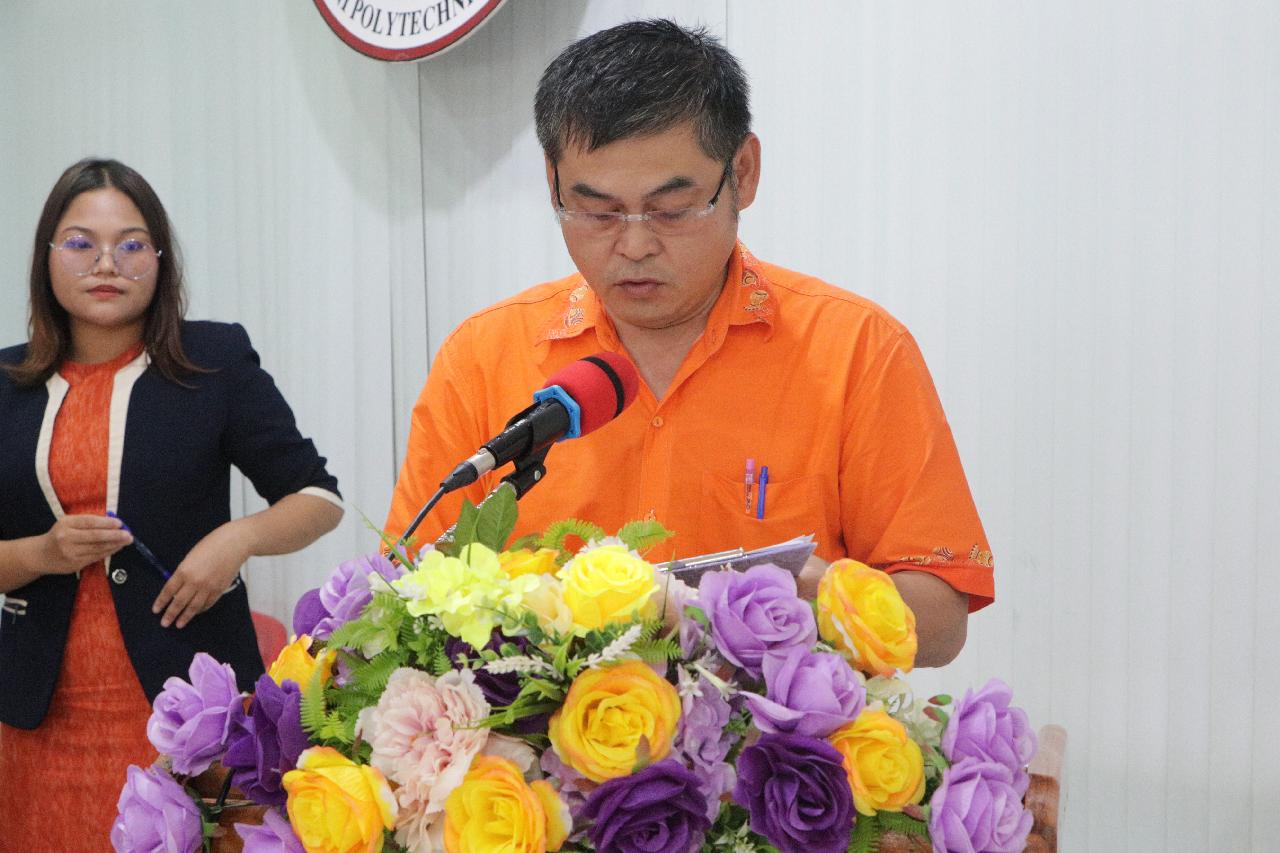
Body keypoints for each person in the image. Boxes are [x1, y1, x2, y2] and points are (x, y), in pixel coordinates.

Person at [385, 20, 994, 669]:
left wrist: (814, 596)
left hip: (772, 728)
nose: (634, 244)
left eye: (672, 210)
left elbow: (939, 623)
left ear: (744, 173)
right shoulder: (484, 356)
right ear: (553, 183)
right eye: (596, 211)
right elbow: (399, 602)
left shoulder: (856, 350)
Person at [0, 159, 344, 850]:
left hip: (191, 711)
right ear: (46, 257)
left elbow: (317, 497)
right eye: (81, 243)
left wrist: (236, 540)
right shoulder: (7, 381)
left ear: (160, 259)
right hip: (39, 718)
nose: (107, 263)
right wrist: (43, 552)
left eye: (131, 244)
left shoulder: (214, 358)